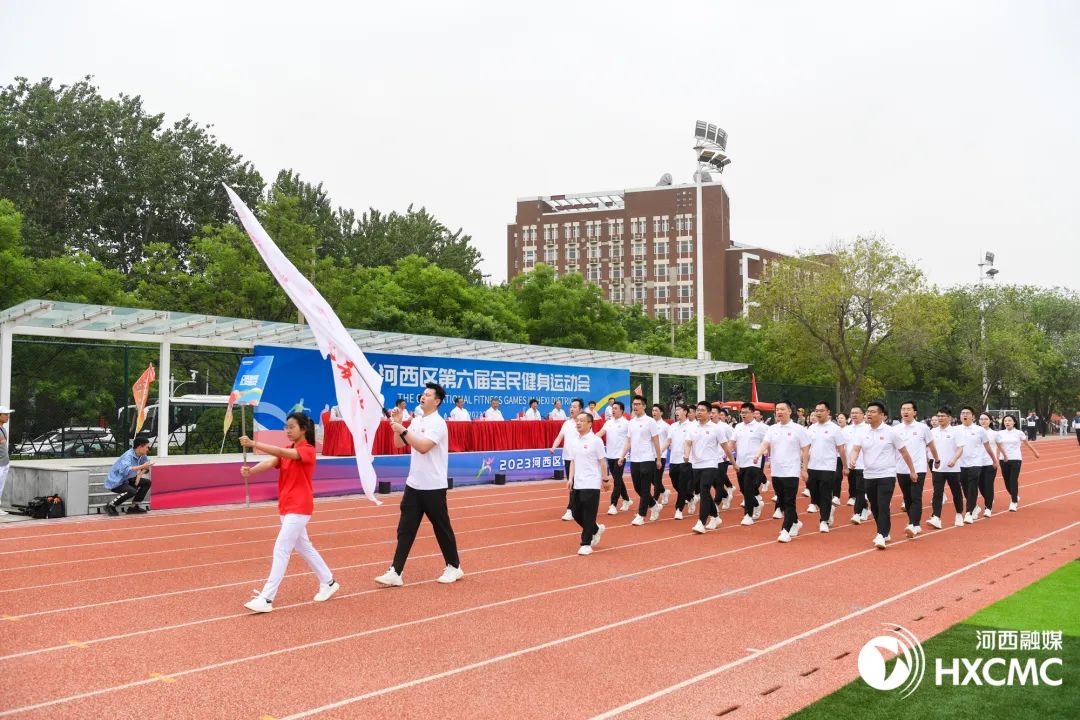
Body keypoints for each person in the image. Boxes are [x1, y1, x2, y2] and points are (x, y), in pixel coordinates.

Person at [240, 412, 339, 612]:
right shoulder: (287, 449)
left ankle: (266, 599)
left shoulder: (308, 451)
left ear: (303, 429)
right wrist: (251, 471)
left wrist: (254, 444)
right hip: (286, 506)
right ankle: (328, 581)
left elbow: (281, 453)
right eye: (286, 427)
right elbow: (271, 461)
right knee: (304, 548)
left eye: (292, 427)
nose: (288, 430)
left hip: (299, 507)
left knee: (281, 549)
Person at [376, 382, 463, 587]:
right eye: (423, 394)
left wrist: (402, 430)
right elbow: (399, 444)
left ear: (437, 400)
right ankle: (396, 571)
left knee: (441, 528)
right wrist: (398, 427)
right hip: (414, 484)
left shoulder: (439, 423)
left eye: (428, 394)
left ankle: (454, 566)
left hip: (433, 485)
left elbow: (423, 447)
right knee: (405, 528)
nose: (423, 397)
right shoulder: (416, 420)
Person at [848, 401, 918, 550]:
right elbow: (855, 449)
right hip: (869, 475)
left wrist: (912, 470)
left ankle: (881, 534)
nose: (869, 414)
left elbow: (904, 452)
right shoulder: (862, 432)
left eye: (873, 412)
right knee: (874, 506)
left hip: (887, 475)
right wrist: (853, 458)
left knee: (883, 504)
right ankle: (884, 531)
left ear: (881, 415)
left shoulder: (891, 432)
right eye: (868, 411)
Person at [753, 400, 809, 543]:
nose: (779, 412)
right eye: (777, 409)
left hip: (791, 471)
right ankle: (796, 522)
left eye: (783, 409)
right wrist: (758, 454)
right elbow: (765, 444)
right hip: (776, 471)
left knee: (789, 501)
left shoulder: (799, 429)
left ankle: (785, 530)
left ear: (790, 411)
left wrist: (804, 469)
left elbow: (805, 450)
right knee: (782, 501)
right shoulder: (772, 429)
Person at [686, 401, 735, 533]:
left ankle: (701, 522)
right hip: (696, 464)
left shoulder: (716, 428)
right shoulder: (692, 427)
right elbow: (688, 443)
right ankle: (715, 516)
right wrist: (686, 455)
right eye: (697, 410)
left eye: (702, 410)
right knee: (704, 493)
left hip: (711, 464)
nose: (699, 412)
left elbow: (726, 447)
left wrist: (733, 462)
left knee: (704, 489)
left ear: (708, 413)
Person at [567, 411, 611, 555]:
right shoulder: (574, 441)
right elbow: (573, 461)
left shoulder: (596, 440)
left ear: (590, 424)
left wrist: (605, 479)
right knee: (575, 512)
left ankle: (586, 543)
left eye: (581, 421)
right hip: (577, 483)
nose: (578, 423)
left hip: (591, 483)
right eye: (577, 421)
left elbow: (602, 462)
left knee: (588, 514)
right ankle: (596, 529)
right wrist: (570, 479)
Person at [895, 400, 939, 538]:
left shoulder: (922, 428)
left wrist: (937, 460)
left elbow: (931, 445)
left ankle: (913, 524)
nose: (905, 411)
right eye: (903, 409)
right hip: (901, 468)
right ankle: (915, 523)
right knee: (907, 497)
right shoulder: (895, 429)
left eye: (908, 409)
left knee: (916, 496)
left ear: (915, 412)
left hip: (918, 468)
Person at [619, 395, 663, 525]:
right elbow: (628, 441)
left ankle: (641, 515)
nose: (635, 406)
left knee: (645, 488)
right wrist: (622, 456)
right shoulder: (631, 422)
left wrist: (658, 459)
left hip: (647, 458)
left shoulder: (650, 421)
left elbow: (656, 441)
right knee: (637, 487)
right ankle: (654, 505)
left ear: (644, 406)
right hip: (635, 459)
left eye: (638, 404)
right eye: (634, 404)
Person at [948, 406, 997, 524]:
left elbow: (987, 447)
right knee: (964, 486)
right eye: (962, 413)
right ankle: (974, 506)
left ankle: (969, 512)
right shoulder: (955, 430)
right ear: (960, 416)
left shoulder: (980, 430)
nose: (964, 415)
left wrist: (994, 460)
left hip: (976, 463)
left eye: (967, 413)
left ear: (973, 417)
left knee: (972, 486)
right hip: (960, 463)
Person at [805, 400, 846, 534]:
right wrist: (803, 466)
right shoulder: (811, 428)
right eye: (816, 411)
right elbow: (806, 448)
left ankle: (824, 520)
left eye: (821, 410)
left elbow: (841, 449)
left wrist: (845, 466)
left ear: (828, 412)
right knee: (814, 493)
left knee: (825, 493)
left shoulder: (835, 429)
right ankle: (828, 510)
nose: (818, 413)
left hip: (828, 467)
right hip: (812, 466)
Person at [732, 402, 768, 526]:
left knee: (748, 488)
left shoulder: (761, 427)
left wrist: (766, 453)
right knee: (743, 489)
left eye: (746, 412)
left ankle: (748, 515)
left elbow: (767, 442)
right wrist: (725, 454)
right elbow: (732, 442)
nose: (743, 415)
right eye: (742, 412)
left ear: (753, 413)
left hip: (754, 463)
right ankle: (757, 503)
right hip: (740, 463)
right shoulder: (738, 427)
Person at [929, 407, 965, 529]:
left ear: (949, 418)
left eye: (943, 416)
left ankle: (959, 514)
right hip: (938, 467)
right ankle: (936, 517)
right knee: (937, 493)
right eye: (938, 416)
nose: (940, 418)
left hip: (952, 468)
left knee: (956, 492)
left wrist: (954, 460)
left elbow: (960, 448)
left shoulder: (956, 432)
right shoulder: (933, 432)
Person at [997, 414, 1040, 512]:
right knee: (1006, 482)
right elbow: (997, 447)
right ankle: (1015, 496)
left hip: (1016, 459)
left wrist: (1035, 452)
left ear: (1014, 422)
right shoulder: (1000, 433)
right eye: (1005, 421)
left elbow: (1027, 444)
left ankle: (1013, 502)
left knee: (1013, 480)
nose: (1007, 422)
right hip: (1003, 460)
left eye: (1009, 420)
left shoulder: (1019, 433)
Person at [552, 398, 585, 520]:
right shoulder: (566, 423)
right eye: (571, 406)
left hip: (580, 459)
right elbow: (559, 437)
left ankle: (571, 509)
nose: (571, 409)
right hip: (567, 458)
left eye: (575, 407)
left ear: (580, 409)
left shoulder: (583, 423)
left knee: (576, 483)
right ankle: (576, 507)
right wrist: (553, 447)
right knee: (572, 483)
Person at [103, 437, 154, 515]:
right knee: (132, 491)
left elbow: (147, 465)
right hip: (117, 481)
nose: (148, 449)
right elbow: (125, 470)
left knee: (147, 482)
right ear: (140, 447)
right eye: (147, 447)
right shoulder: (128, 456)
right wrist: (142, 466)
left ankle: (134, 507)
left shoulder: (142, 455)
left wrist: (139, 475)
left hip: (128, 479)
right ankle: (111, 506)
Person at [597, 400, 631, 514]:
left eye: (616, 408)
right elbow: (600, 433)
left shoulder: (626, 423)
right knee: (618, 478)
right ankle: (626, 499)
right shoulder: (608, 422)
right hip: (610, 455)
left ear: (621, 410)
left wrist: (624, 454)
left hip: (621, 456)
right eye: (613, 408)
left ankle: (613, 504)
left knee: (616, 480)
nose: (613, 410)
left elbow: (631, 439)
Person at [842, 406, 869, 521]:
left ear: (863, 415)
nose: (854, 415)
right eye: (852, 413)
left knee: (860, 489)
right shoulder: (846, 429)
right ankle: (865, 508)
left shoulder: (868, 428)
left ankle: (857, 513)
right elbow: (841, 447)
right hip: (851, 464)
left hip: (864, 464)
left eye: (857, 413)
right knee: (854, 489)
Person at [666, 404, 692, 519]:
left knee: (681, 484)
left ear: (685, 412)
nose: (676, 412)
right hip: (673, 460)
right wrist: (658, 451)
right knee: (674, 482)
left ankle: (679, 509)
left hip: (686, 460)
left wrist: (687, 455)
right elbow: (668, 441)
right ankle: (690, 497)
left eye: (678, 410)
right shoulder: (673, 426)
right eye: (676, 410)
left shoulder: (692, 426)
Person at [977, 412, 1001, 517]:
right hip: (977, 463)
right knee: (980, 486)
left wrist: (997, 461)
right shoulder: (975, 432)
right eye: (981, 419)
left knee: (988, 485)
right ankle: (989, 498)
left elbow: (999, 447)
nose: (983, 421)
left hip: (990, 463)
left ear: (990, 421)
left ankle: (988, 507)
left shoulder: (995, 434)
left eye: (986, 419)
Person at [650, 403, 671, 505]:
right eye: (653, 410)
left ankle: (654, 499)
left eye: (656, 410)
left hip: (660, 455)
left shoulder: (666, 426)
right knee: (651, 478)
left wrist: (665, 449)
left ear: (661, 413)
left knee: (657, 479)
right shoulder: (649, 424)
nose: (654, 412)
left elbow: (670, 439)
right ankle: (664, 492)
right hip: (649, 455)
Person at [0, 405, 11, 515]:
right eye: (5, 414)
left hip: (4, 463)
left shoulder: (2, 429)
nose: (7, 416)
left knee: (1, 487)